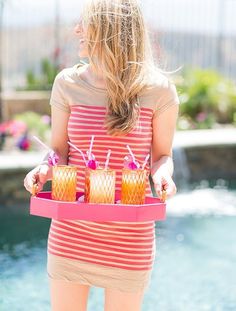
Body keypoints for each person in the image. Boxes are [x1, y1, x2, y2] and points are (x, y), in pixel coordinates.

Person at [24, 0, 179, 310]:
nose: (76, 30)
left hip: (129, 240)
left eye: (86, 22)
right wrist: (42, 170)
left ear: (111, 30)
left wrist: (163, 176)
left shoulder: (159, 91)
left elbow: (162, 156)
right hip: (71, 232)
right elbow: (57, 153)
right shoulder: (67, 84)